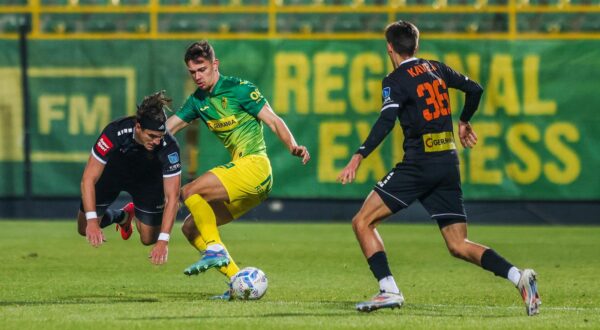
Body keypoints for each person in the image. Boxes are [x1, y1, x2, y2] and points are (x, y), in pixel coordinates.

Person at [337, 21, 541, 316]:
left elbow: (386, 121)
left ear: (389, 48)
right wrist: (464, 120)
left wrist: (359, 155)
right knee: (458, 244)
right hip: (447, 161)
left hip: (420, 163)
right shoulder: (436, 68)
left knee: (362, 222)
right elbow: (475, 88)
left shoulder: (394, 80)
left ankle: (388, 289)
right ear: (416, 46)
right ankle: (518, 277)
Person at [167, 40, 310, 298]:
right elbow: (168, 129)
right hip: (250, 184)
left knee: (188, 191)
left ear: (215, 65)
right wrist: (140, 137)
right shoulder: (197, 102)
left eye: (202, 69)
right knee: (190, 228)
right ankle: (237, 282)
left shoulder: (239, 89)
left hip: (255, 166)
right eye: (193, 72)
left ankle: (215, 248)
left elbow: (273, 120)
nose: (198, 76)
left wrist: (293, 145)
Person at [77, 91, 181, 265]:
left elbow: (172, 197)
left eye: (160, 136)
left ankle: (133, 214)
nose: (156, 141)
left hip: (147, 181)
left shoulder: (168, 146)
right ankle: (122, 216)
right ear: (138, 127)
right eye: (152, 136)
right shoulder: (114, 132)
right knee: (84, 228)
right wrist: (93, 221)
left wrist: (164, 240)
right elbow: (88, 179)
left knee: (149, 239)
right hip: (112, 175)